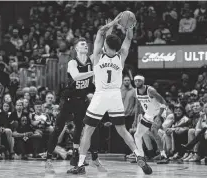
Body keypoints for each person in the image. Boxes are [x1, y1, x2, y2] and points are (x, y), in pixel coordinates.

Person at [69, 14, 152, 175]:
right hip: (115, 96)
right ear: (117, 45)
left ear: (105, 44)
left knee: (88, 130)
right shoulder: (121, 56)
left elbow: (100, 32)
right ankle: (138, 154)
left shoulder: (98, 56)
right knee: (122, 129)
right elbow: (128, 39)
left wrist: (114, 22)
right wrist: (129, 27)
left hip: (100, 95)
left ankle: (80, 164)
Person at [45, 37, 100, 173]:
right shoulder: (72, 62)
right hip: (68, 99)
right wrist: (94, 72)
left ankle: (76, 154)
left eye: (86, 44)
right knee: (58, 128)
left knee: (80, 128)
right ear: (76, 49)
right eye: (82, 44)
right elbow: (76, 77)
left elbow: (100, 47)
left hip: (81, 99)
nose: (85, 46)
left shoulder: (91, 60)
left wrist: (107, 30)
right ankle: (48, 158)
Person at [133, 75, 168, 163]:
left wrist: (159, 116)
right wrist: (135, 120)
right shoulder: (135, 91)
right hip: (148, 114)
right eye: (135, 81)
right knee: (137, 135)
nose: (137, 82)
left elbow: (163, 101)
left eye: (139, 81)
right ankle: (141, 156)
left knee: (154, 130)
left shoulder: (150, 90)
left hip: (159, 112)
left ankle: (163, 156)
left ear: (143, 81)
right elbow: (138, 106)